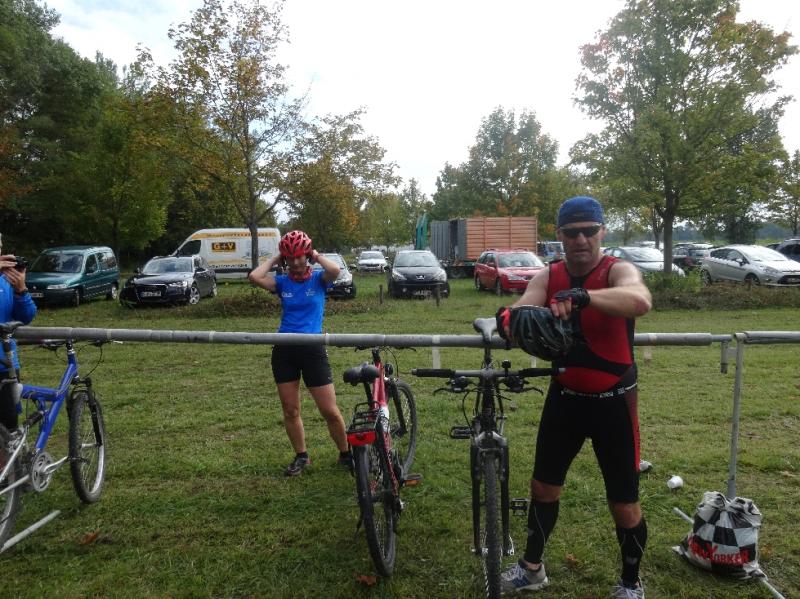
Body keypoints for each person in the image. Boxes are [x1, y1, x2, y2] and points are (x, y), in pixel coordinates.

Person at [497, 196, 652, 598]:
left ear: (602, 231)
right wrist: (508, 319)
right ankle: (532, 569)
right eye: (572, 232)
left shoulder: (617, 269)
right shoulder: (549, 275)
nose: (581, 239)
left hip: (615, 402)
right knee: (543, 488)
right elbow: (522, 309)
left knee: (624, 502)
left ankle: (630, 583)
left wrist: (585, 297)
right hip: (565, 398)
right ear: (560, 235)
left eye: (589, 231)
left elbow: (639, 300)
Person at [248, 230, 351, 476]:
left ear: (307, 255)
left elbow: (336, 270)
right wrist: (276, 259)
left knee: (329, 410)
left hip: (312, 349)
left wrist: (315, 255)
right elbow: (254, 277)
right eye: (290, 258)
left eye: (300, 257)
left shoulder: (318, 279)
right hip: (284, 350)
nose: (295, 262)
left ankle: (346, 453)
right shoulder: (282, 282)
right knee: (291, 410)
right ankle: (302, 456)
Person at [0, 239, 37, 434]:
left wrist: (21, 290)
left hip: (5, 365)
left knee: (8, 428)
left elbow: (26, 317)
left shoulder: (6, 280)